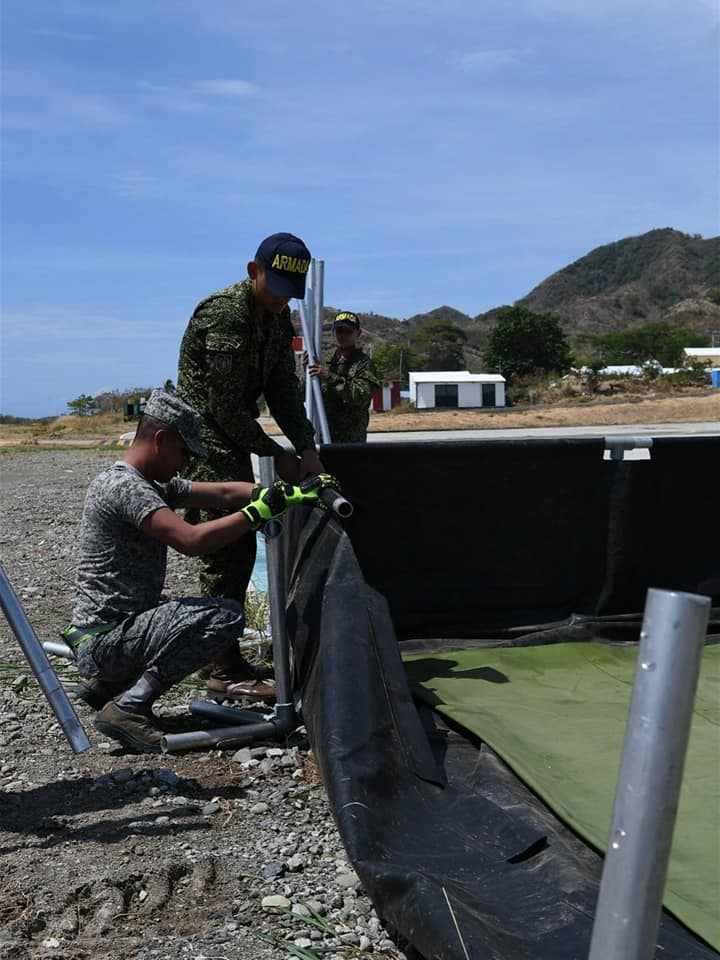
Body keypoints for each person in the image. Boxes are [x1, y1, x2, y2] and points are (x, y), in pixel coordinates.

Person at [62, 390, 328, 754]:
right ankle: (128, 707)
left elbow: (220, 492)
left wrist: (283, 493)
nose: (185, 463)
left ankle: (108, 686)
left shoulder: (150, 483)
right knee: (223, 616)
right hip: (106, 640)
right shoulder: (125, 487)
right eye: (184, 452)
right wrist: (257, 514)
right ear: (161, 439)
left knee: (184, 613)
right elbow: (191, 540)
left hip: (113, 632)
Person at [176, 232, 325, 697]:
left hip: (233, 435)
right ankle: (220, 664)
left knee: (241, 541)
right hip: (204, 438)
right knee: (229, 547)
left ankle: (224, 649)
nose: (282, 300)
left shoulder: (276, 319)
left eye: (290, 293)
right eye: (275, 287)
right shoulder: (224, 313)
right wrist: (274, 453)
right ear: (252, 271)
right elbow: (222, 405)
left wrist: (306, 445)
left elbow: (282, 388)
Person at [306, 311, 380, 442]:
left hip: (350, 442)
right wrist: (306, 370)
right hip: (322, 438)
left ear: (358, 333)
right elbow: (303, 394)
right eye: (339, 331)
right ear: (333, 333)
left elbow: (359, 396)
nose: (343, 335)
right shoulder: (322, 361)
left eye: (348, 332)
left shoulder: (363, 364)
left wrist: (329, 376)